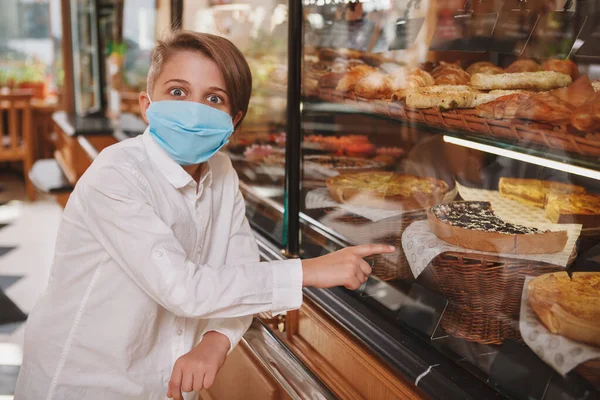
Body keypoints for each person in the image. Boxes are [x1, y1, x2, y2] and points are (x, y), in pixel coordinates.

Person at [14, 31, 394, 400]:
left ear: (235, 120)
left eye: (214, 98)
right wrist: (309, 270)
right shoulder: (116, 175)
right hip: (84, 382)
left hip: (164, 386)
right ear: (148, 105)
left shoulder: (222, 171)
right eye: (178, 92)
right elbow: (184, 289)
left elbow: (238, 270)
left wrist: (216, 341)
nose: (194, 110)